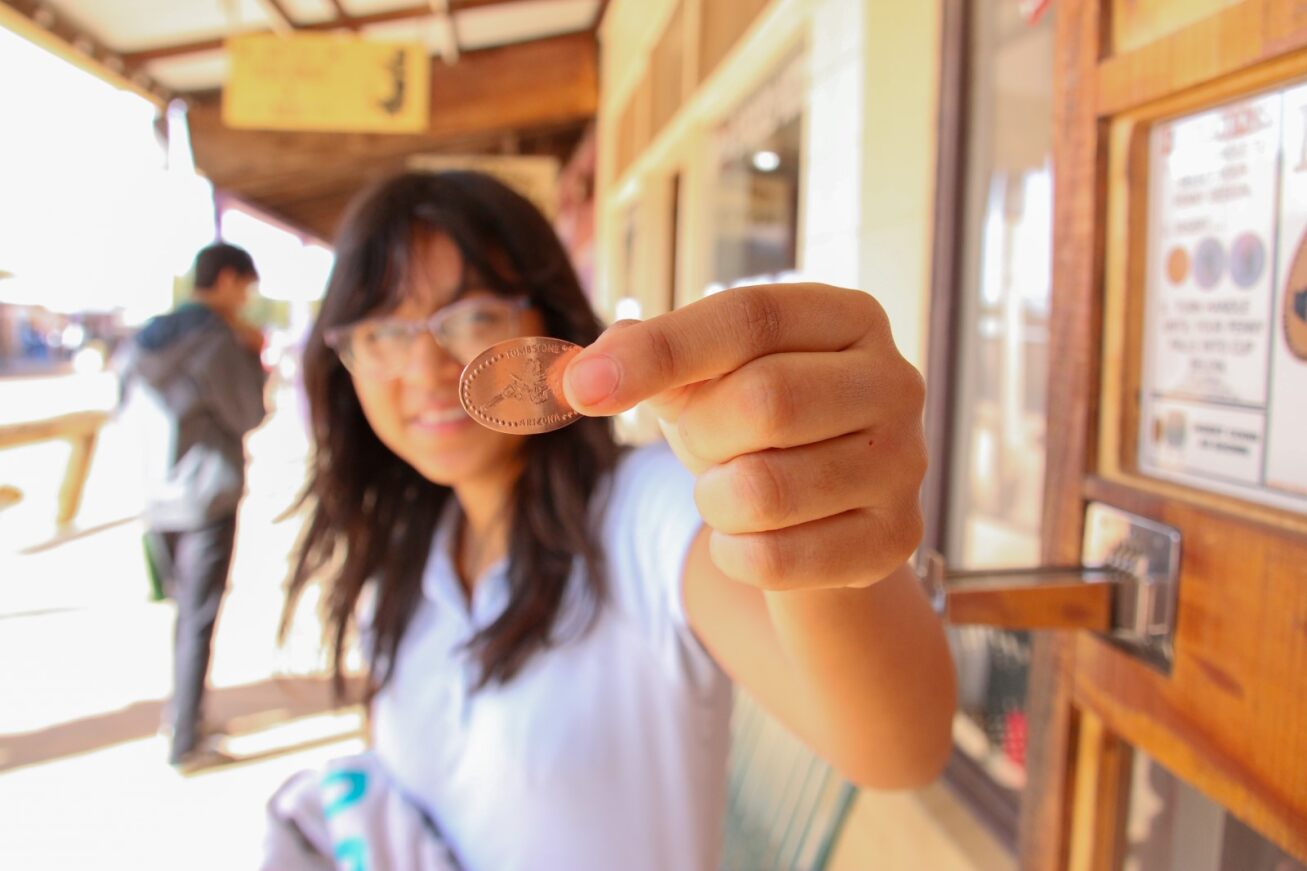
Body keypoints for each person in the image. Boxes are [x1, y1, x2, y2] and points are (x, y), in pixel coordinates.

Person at [283, 171, 956, 870]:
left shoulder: (647, 508)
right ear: (345, 360)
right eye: (384, 331)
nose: (425, 365)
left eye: (474, 316)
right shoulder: (401, 548)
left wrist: (800, 506)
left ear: (548, 320)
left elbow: (898, 746)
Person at [119, 242, 268, 771]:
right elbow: (248, 412)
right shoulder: (218, 340)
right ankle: (185, 739)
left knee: (183, 613)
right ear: (227, 279)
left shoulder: (146, 337)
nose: (246, 301)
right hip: (206, 496)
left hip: (155, 497)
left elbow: (124, 411)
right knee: (197, 617)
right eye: (246, 289)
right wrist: (254, 355)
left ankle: (182, 716)